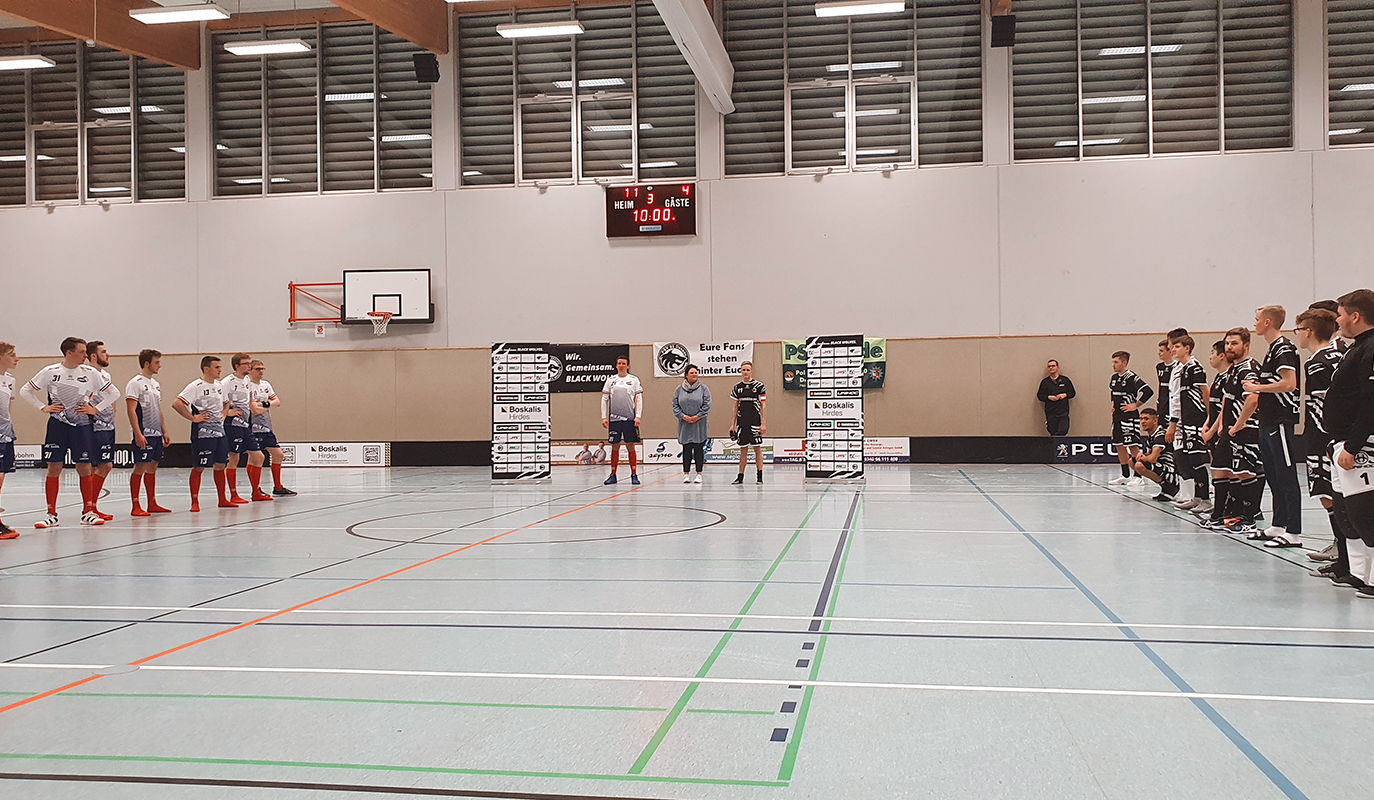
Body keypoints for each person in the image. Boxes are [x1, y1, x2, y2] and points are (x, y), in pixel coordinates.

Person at [20, 337, 120, 528]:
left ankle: (88, 512)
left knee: (84, 467)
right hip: (57, 426)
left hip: (81, 427)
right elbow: (26, 390)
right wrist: (43, 407)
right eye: (82, 352)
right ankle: (51, 514)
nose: (85, 355)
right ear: (69, 353)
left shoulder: (91, 373)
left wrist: (95, 409)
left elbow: (114, 393)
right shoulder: (50, 372)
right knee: (54, 467)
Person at [1325, 289, 1374, 598]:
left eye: (1341, 315)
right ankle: (1358, 572)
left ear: (1356, 316)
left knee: (1364, 514)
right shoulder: (1356, 347)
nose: (1338, 321)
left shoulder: (1371, 348)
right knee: (1347, 515)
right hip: (1340, 440)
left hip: (1360, 445)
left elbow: (1370, 401)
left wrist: (1354, 446)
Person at [1242, 306, 1303, 547]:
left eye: (1257, 319)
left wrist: (1257, 388)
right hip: (1267, 421)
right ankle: (1278, 525)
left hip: (1281, 420)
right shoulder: (1272, 349)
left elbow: (1289, 384)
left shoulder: (1284, 348)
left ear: (1268, 322)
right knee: (1274, 476)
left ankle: (1293, 531)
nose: (1254, 323)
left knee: (1287, 476)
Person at [1294, 309, 1345, 575]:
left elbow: (1323, 405)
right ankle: (1344, 550)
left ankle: (1343, 552)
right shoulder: (1340, 354)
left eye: (1298, 330)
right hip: (1334, 436)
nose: (1297, 335)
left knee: (1329, 494)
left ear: (1309, 331)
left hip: (1323, 438)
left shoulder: (1317, 362)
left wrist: (1326, 441)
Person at [1204, 328, 1264, 533]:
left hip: (1245, 430)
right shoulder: (1233, 370)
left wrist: (1238, 424)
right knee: (1222, 469)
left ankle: (1249, 519)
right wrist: (1220, 424)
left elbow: (1253, 399)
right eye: (1227, 343)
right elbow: (1227, 399)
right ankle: (1225, 515)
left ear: (1246, 345)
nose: (1229, 347)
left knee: (1245, 473)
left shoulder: (1249, 369)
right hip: (1229, 432)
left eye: (1234, 343)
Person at [173, 356, 233, 511]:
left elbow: (226, 402)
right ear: (206, 369)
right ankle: (194, 502)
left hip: (220, 432)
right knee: (199, 466)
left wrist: (224, 413)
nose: (220, 370)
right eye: (217, 367)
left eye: (220, 367)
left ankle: (222, 499)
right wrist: (193, 418)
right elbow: (177, 403)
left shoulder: (219, 385)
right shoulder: (195, 386)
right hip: (203, 433)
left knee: (221, 465)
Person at [125, 349, 172, 516]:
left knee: (153, 466)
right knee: (140, 466)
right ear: (147, 364)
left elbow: (159, 409)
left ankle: (152, 503)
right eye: (157, 362)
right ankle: (135, 505)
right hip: (144, 432)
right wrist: (138, 433)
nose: (160, 365)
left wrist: (164, 431)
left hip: (156, 432)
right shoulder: (135, 383)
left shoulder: (155, 384)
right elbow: (131, 410)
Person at [1168, 334, 1212, 512]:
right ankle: (1197, 497)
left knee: (1198, 460)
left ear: (1187, 349)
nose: (1173, 349)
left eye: (1177, 346)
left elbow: (1205, 392)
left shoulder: (1195, 367)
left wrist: (1210, 417)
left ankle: (1206, 499)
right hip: (1186, 421)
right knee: (1190, 460)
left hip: (1196, 421)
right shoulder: (1183, 369)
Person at [84, 340, 120, 521]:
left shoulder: (105, 375)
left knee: (100, 466)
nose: (108, 354)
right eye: (103, 352)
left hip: (108, 424)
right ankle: (89, 508)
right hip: (95, 425)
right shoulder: (86, 374)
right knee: (103, 465)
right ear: (93, 356)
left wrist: (113, 412)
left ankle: (91, 507)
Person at [1107, 351, 1153, 487]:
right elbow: (1113, 392)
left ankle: (1139, 476)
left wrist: (1136, 405)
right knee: (1119, 445)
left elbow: (1148, 391)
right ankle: (1125, 475)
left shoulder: (1132, 377)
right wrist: (1113, 404)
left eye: (1116, 362)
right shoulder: (1114, 377)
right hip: (1117, 417)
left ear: (1124, 363)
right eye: (1113, 362)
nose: (1113, 365)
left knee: (1133, 445)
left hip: (1129, 417)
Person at [248, 359, 293, 497]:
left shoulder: (266, 385)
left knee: (279, 455)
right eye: (257, 369)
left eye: (262, 368)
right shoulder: (247, 386)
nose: (261, 371)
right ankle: (255, 489)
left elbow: (277, 402)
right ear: (250, 370)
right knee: (255, 459)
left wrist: (264, 404)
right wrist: (266, 405)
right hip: (253, 428)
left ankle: (278, 487)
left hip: (267, 427)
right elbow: (254, 410)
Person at [221, 353, 260, 504]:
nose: (250, 366)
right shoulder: (227, 382)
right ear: (237, 366)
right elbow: (217, 401)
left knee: (258, 457)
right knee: (234, 458)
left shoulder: (247, 380)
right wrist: (227, 412)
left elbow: (249, 400)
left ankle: (256, 492)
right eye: (246, 363)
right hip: (233, 425)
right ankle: (233, 494)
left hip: (245, 424)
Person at [601, 355, 643, 486]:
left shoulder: (634, 380)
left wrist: (638, 416)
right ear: (616, 365)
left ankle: (634, 475)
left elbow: (639, 399)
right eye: (619, 363)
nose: (621, 365)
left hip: (629, 419)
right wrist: (604, 417)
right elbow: (604, 399)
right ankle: (613, 474)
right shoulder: (611, 380)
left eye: (623, 363)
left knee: (630, 445)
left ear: (628, 366)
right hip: (614, 419)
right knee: (615, 445)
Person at [731, 361, 768, 484]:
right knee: (743, 450)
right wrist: (732, 425)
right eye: (743, 370)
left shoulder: (759, 386)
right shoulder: (737, 387)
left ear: (751, 371)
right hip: (742, 423)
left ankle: (760, 476)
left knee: (757, 449)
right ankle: (740, 476)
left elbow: (763, 405)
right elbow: (735, 407)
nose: (745, 372)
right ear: (741, 371)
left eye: (747, 370)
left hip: (755, 422)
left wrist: (763, 423)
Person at [673, 365, 711, 483]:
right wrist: (683, 416)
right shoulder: (679, 390)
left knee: (699, 448)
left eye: (696, 372)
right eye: (692, 373)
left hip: (699, 423)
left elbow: (707, 405)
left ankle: (699, 474)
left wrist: (697, 416)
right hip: (684, 424)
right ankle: (686, 474)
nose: (694, 375)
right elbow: (675, 406)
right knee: (686, 448)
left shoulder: (704, 389)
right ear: (686, 375)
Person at [1132, 409, 1179, 501]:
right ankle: (1165, 487)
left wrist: (1143, 457)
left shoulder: (1160, 435)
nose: (1143, 422)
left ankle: (1170, 487)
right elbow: (1149, 454)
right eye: (1141, 419)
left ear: (1155, 421)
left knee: (1139, 466)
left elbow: (1152, 459)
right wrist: (1141, 455)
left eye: (1146, 419)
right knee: (1132, 461)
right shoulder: (1151, 436)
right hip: (1162, 465)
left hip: (1172, 470)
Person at [0, 342, 18, 539]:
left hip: (5, 434)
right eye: (12, 354)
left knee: (2, 476)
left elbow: (7, 411)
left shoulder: (10, 381)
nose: (16, 358)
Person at [1036, 360, 1075, 436]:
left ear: (1058, 367)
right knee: (1052, 431)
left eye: (1053, 366)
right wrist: (1049, 397)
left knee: (1063, 430)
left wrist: (1065, 395)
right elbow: (1040, 395)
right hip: (1051, 411)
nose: (1051, 368)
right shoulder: (1045, 382)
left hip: (1063, 411)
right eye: (1049, 366)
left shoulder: (1065, 380)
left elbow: (1072, 393)